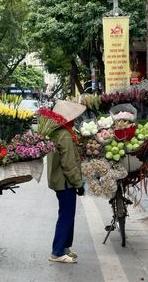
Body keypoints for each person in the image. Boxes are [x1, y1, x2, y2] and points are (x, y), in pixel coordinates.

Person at [47, 100, 86, 263]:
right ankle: (57, 252)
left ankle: (64, 247)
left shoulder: (57, 132)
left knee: (68, 214)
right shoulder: (64, 135)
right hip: (65, 182)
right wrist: (79, 183)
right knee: (66, 215)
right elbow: (69, 164)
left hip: (61, 181)